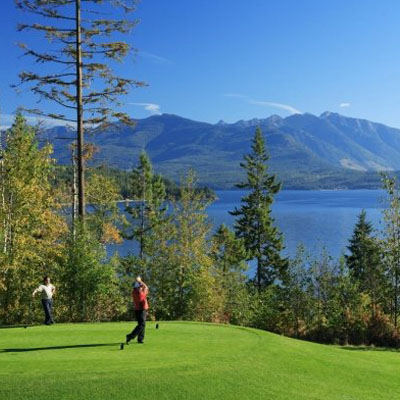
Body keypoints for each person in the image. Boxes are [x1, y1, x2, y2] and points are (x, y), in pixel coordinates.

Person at [126, 276, 149, 344]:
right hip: (142, 310)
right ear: (138, 287)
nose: (141, 287)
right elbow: (146, 287)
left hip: (137, 309)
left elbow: (144, 287)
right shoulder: (141, 293)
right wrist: (140, 281)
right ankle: (130, 336)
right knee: (141, 325)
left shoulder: (134, 292)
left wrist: (139, 282)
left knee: (142, 324)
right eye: (140, 287)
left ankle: (140, 339)